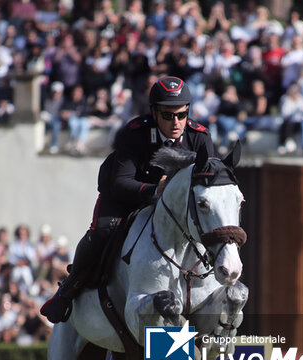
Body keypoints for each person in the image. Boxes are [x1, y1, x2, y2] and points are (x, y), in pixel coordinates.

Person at [41, 76, 214, 323]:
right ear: (154, 113)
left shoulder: (200, 137)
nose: (176, 123)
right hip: (128, 198)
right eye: (167, 116)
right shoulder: (135, 134)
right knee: (102, 231)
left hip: (176, 208)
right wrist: (156, 190)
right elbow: (121, 182)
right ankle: (68, 291)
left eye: (182, 115)